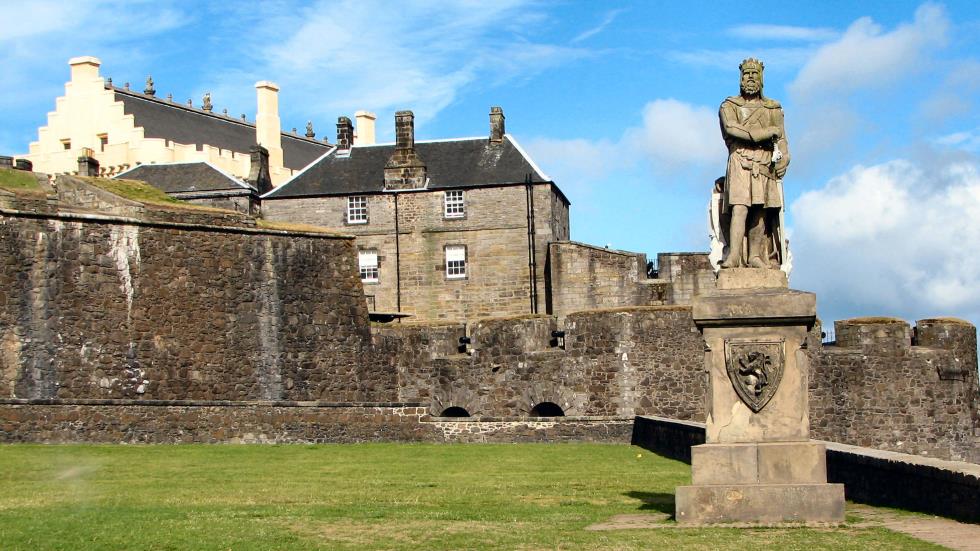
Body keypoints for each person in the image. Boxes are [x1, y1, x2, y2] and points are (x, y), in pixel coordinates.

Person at [718, 58, 790, 269]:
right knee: (740, 208)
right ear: (740, 78)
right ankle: (734, 256)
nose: (750, 78)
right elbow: (732, 129)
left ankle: (755, 256)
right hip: (740, 160)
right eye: (746, 74)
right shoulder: (729, 106)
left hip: (765, 162)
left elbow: (783, 139)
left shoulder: (773, 108)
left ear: (761, 78)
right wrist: (766, 133)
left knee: (760, 211)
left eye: (754, 74)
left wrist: (784, 158)